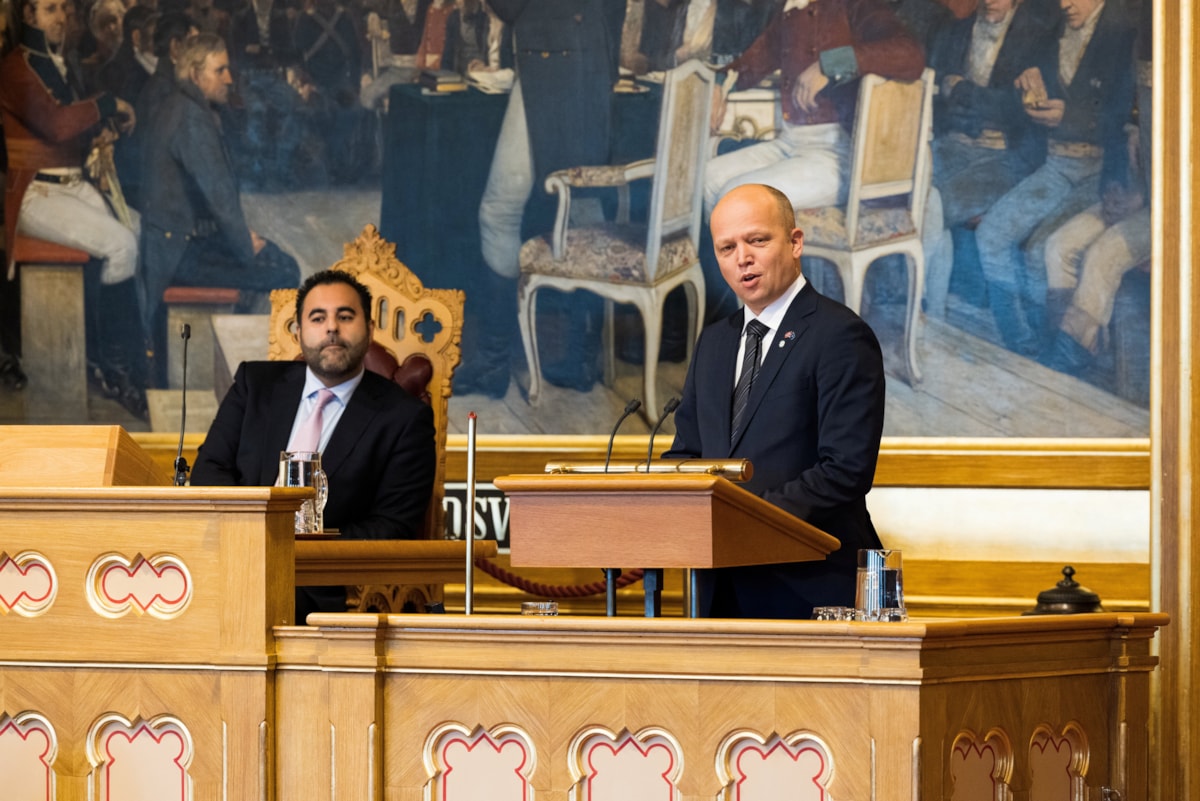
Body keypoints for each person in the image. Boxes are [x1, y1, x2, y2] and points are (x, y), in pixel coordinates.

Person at [664, 183, 886, 620]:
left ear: (795, 242)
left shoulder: (839, 334)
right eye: (726, 248)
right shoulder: (714, 342)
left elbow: (846, 469)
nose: (742, 257)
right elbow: (687, 453)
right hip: (718, 589)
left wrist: (747, 521)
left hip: (809, 587)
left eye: (757, 240)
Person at [190, 269, 438, 619]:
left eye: (346, 316)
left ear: (369, 329)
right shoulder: (254, 385)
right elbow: (208, 473)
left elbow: (392, 527)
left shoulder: (403, 418)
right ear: (298, 331)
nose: (331, 328)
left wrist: (296, 548)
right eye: (318, 317)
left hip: (322, 587)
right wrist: (252, 538)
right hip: (230, 560)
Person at [459, 0, 626, 398]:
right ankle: (580, 358)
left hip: (554, 61)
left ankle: (494, 362)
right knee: (580, 202)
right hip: (585, 57)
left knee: (499, 210)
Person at [0, 0, 150, 416]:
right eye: (50, 10)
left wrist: (101, 133)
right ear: (29, 17)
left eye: (64, 8)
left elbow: (73, 131)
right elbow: (56, 124)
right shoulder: (15, 67)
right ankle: (113, 369)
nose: (62, 18)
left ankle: (119, 357)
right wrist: (108, 105)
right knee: (120, 245)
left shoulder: (56, 63)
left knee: (136, 229)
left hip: (71, 185)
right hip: (36, 193)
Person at [973, 0, 1136, 357]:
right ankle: (1019, 343)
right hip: (1054, 166)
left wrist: (1071, 116)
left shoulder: (1126, 32)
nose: (1064, 3)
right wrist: (1025, 83)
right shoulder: (1050, 32)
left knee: (1039, 251)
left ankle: (1049, 350)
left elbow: (1128, 117)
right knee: (991, 235)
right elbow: (1015, 89)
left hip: (1103, 172)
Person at [138, 32, 300, 339]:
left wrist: (241, 238)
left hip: (177, 243)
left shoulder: (182, 105)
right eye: (219, 70)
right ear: (196, 75)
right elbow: (220, 199)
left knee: (272, 257)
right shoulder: (191, 118)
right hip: (179, 254)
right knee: (284, 269)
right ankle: (251, 362)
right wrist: (243, 244)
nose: (229, 78)